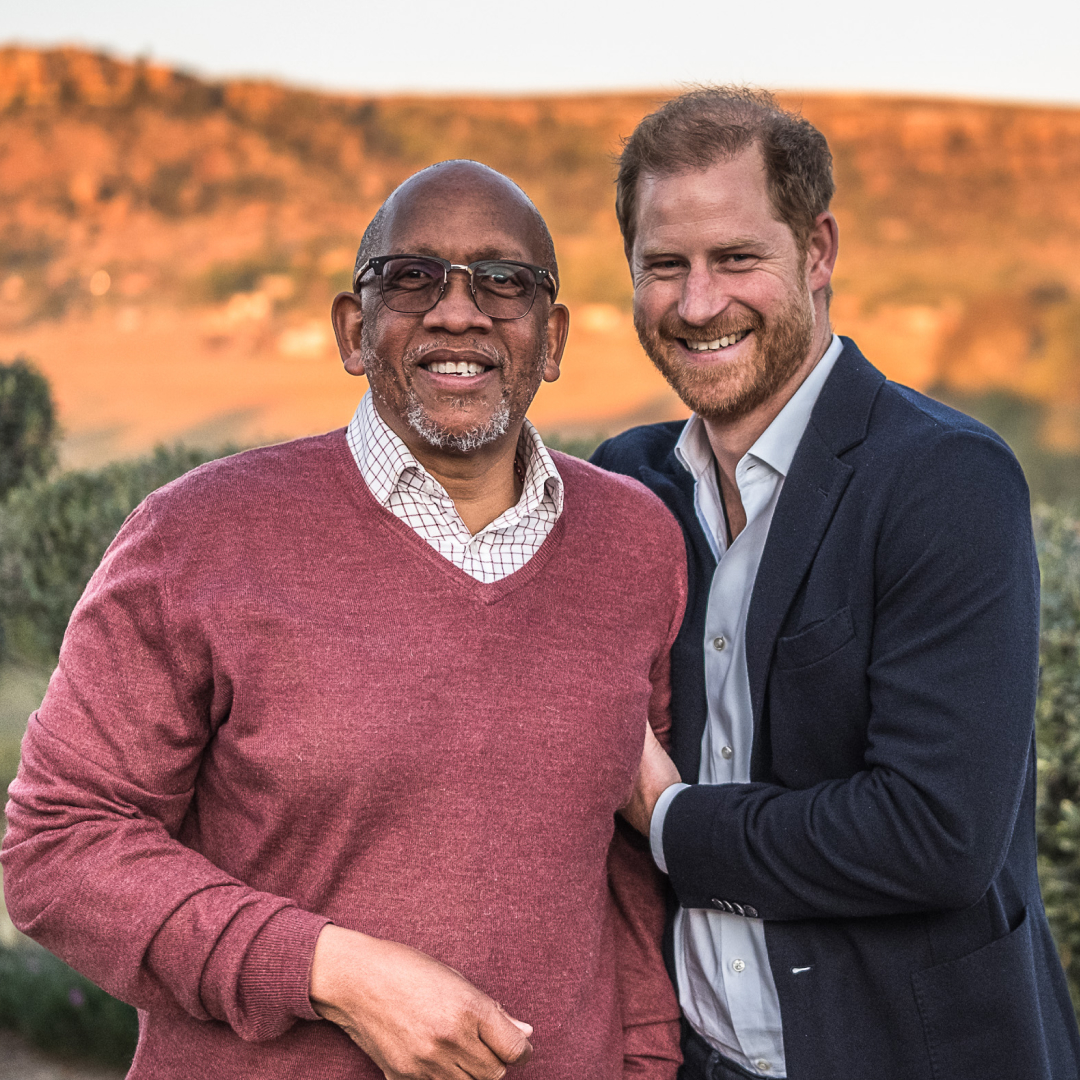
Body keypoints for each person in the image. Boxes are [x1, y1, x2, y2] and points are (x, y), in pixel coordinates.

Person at [2, 159, 685, 1080]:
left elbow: (625, 872)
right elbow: (58, 845)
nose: (459, 311)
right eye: (412, 278)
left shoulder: (634, 543)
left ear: (552, 338)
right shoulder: (199, 536)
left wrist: (645, 1064)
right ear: (353, 330)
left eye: (503, 281)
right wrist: (334, 971)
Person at [596, 88, 1080, 1080]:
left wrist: (673, 819)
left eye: (737, 258)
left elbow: (932, 834)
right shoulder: (625, 485)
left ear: (817, 253)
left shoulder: (945, 479)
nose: (697, 303)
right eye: (665, 266)